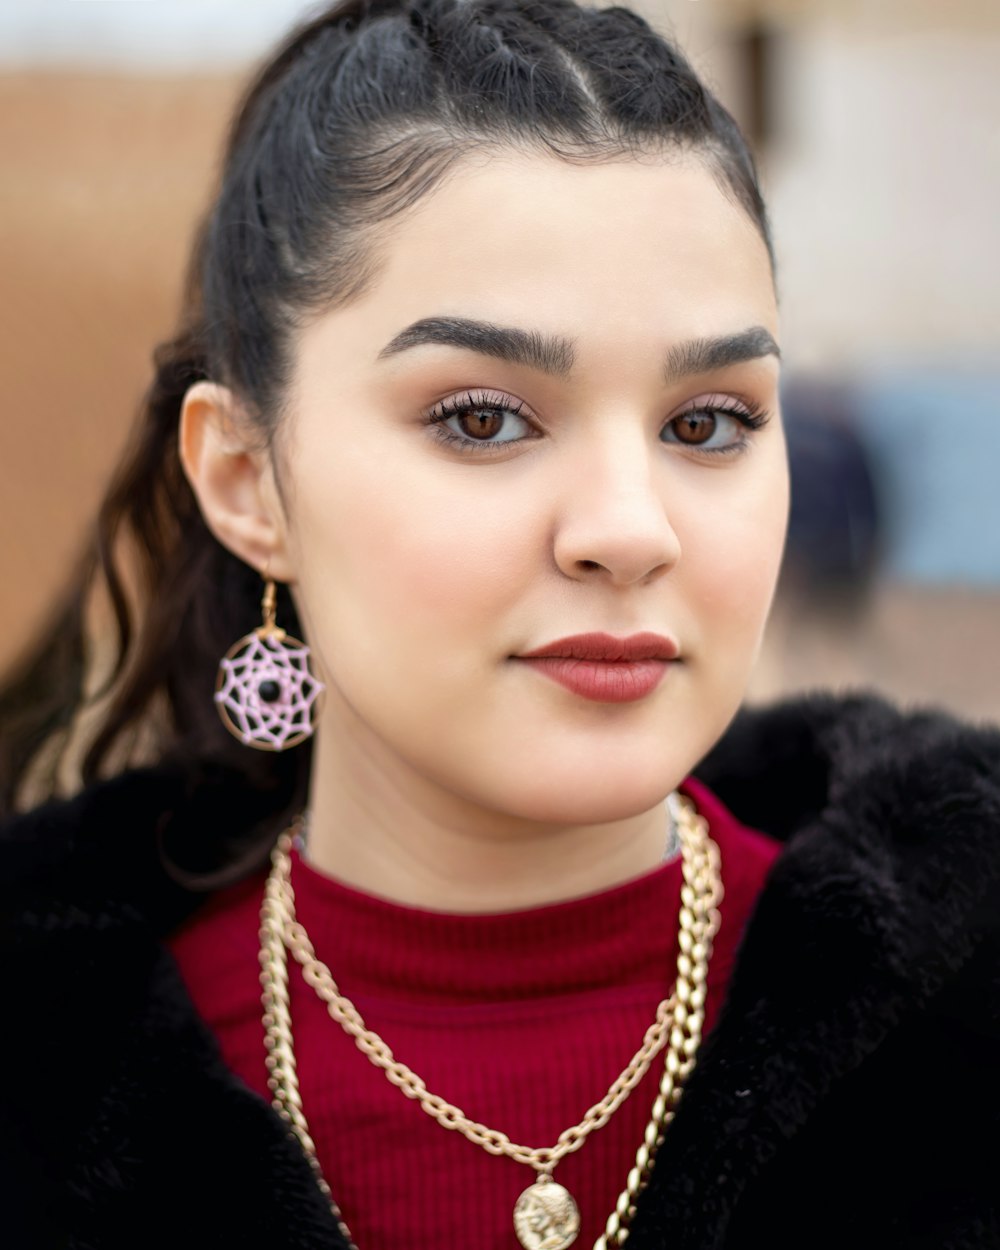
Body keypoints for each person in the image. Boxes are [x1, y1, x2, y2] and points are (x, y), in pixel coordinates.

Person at [1, 1, 998, 1247]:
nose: (631, 529)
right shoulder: (38, 1086)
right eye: (482, 417)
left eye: (708, 422)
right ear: (250, 482)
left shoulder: (961, 1016)